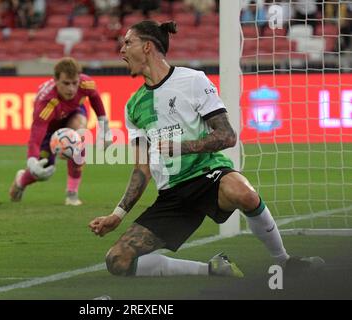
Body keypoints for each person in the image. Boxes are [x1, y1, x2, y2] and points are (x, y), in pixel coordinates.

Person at [89, 20, 324, 277]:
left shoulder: (193, 81)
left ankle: (284, 260)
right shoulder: (133, 106)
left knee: (244, 193)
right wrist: (118, 214)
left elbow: (227, 136)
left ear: (147, 47)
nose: (121, 49)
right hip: (173, 196)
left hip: (208, 176)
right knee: (117, 262)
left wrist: (183, 147)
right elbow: (141, 169)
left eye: (127, 42)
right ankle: (213, 269)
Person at [9, 57, 112, 205]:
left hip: (74, 114)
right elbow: (36, 132)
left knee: (78, 138)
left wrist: (105, 128)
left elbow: (95, 97)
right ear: (56, 81)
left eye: (74, 83)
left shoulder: (85, 83)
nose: (71, 88)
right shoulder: (46, 102)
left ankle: (72, 193)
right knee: (44, 170)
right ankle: (21, 180)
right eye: (66, 83)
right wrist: (31, 161)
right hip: (49, 129)